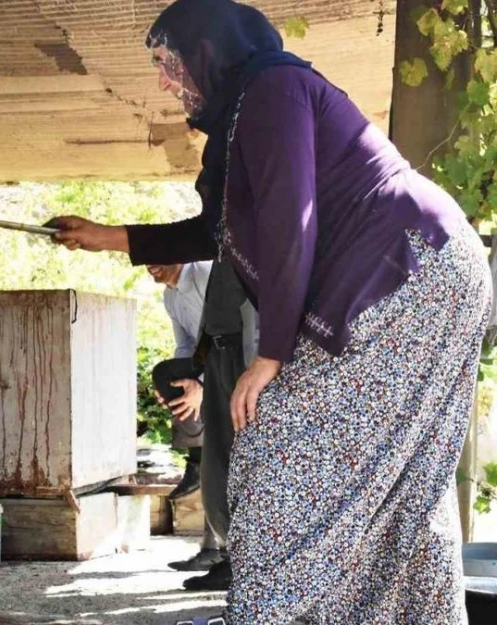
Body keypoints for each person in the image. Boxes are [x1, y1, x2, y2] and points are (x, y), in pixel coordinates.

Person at [48, 0, 490, 623]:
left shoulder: (273, 89)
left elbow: (290, 221)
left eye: (168, 61)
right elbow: (217, 231)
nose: (163, 80)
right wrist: (108, 235)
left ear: (209, 51)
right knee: (402, 483)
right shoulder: (245, 115)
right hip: (430, 271)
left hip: (408, 269)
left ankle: (276, 614)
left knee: (278, 448)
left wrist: (271, 355)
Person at [147, 262, 220, 569]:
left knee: (222, 467)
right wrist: (177, 389)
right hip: (209, 370)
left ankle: (223, 554)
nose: (151, 266)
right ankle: (210, 549)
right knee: (166, 373)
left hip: (238, 369)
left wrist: (201, 385)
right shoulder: (170, 296)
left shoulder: (204, 274)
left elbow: (231, 335)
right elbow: (186, 348)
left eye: (157, 256)